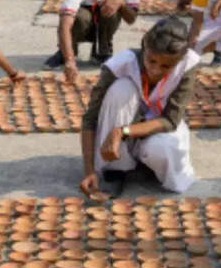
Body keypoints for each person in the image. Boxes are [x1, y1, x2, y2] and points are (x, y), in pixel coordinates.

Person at [78, 16, 201, 198]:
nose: (156, 70)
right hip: (127, 123)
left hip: (157, 127)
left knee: (163, 149)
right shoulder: (121, 65)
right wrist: (89, 170)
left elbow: (170, 120)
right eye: (151, 61)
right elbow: (90, 118)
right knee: (121, 90)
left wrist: (122, 132)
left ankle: (148, 164)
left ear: (179, 60)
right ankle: (116, 168)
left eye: (166, 66)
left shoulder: (187, 65)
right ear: (144, 47)